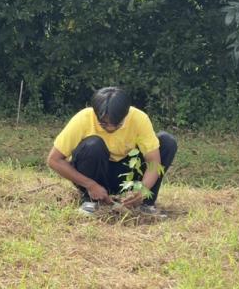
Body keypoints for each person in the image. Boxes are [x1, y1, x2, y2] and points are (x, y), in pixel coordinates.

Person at [46, 86, 178, 217]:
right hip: (95, 175)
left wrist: (142, 190)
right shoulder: (84, 118)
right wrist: (90, 184)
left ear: (126, 114)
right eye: (103, 123)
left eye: (117, 124)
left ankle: (145, 204)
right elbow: (54, 160)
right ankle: (90, 201)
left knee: (167, 142)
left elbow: (154, 162)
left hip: (126, 176)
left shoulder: (139, 118)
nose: (110, 128)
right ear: (95, 113)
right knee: (93, 144)